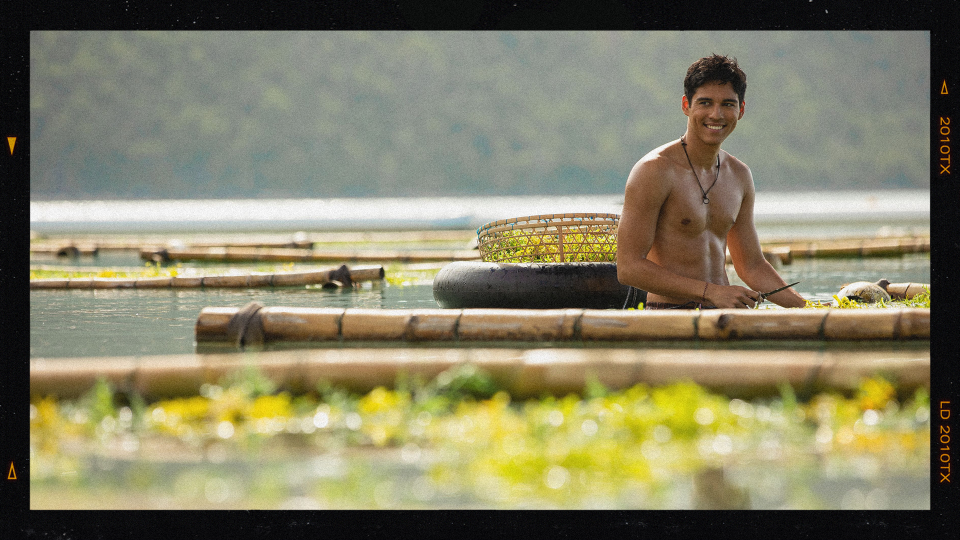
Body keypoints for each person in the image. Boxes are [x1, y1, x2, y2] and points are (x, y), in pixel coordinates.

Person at [617, 54, 806, 309]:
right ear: (686, 105)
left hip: (725, 315)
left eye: (727, 104)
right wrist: (710, 292)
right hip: (668, 316)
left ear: (741, 110)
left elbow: (751, 266)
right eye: (705, 103)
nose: (716, 114)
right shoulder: (654, 171)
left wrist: (810, 309)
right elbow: (628, 268)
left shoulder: (739, 175)